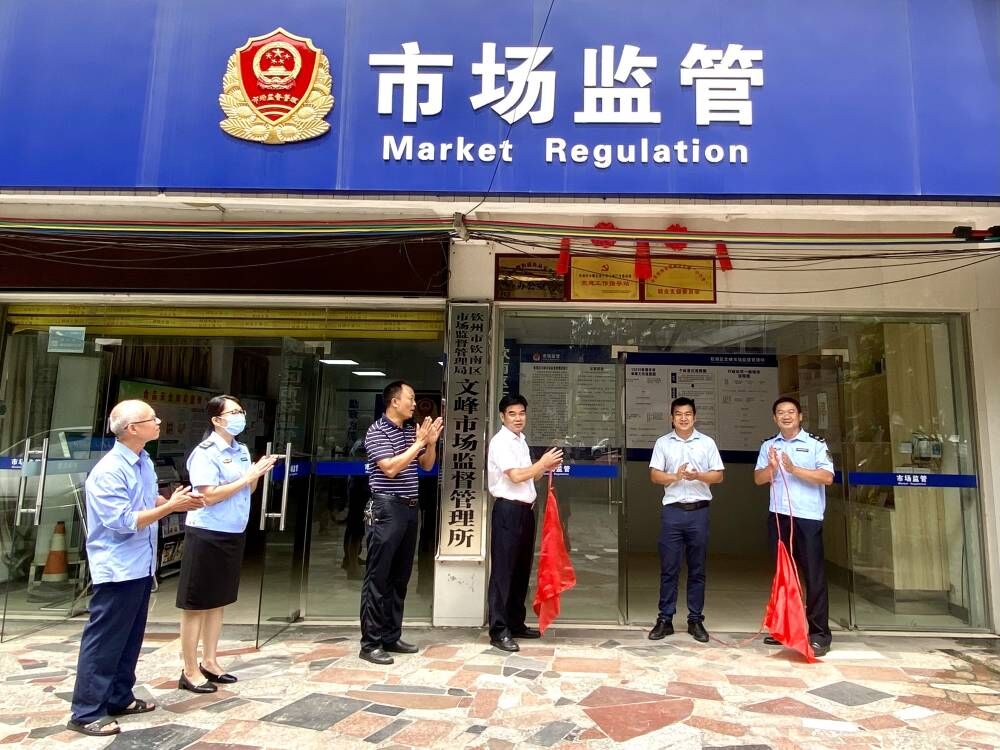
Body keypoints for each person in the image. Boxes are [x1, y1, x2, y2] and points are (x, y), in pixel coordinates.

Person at [67, 400, 203, 737]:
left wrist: (174, 501)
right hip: (118, 567)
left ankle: (119, 696)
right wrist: (170, 507)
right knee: (105, 640)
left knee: (129, 637)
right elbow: (123, 522)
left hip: (141, 564)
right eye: (151, 418)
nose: (158, 422)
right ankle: (86, 711)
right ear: (131, 429)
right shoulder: (109, 470)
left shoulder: (142, 461)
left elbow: (146, 500)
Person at [176, 395, 278, 692]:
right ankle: (189, 669)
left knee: (217, 600)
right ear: (216, 420)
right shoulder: (205, 453)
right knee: (196, 603)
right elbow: (207, 496)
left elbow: (249, 488)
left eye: (240, 411)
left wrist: (256, 473)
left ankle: (210, 660)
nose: (239, 416)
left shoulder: (241, 450)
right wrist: (248, 476)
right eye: (233, 412)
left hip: (233, 531)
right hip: (207, 532)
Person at [359, 380, 443, 665]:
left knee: (400, 576)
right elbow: (391, 468)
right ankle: (370, 643)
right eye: (411, 398)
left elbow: (427, 465)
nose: (414, 403)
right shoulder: (376, 431)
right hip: (386, 508)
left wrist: (430, 443)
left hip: (409, 508)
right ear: (394, 401)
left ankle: (391, 635)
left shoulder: (409, 431)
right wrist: (419, 443)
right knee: (378, 577)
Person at [754, 396, 835, 657]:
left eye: (791, 412)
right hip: (779, 516)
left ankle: (819, 634)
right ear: (774, 418)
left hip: (807, 518)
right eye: (780, 412)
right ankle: (785, 629)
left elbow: (827, 477)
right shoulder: (769, 445)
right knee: (784, 575)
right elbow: (758, 479)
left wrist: (794, 469)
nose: (786, 416)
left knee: (813, 576)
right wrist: (772, 467)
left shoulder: (815, 444)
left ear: (800, 416)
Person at [486, 394, 563, 653]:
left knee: (520, 569)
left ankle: (515, 622)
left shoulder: (521, 441)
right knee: (503, 571)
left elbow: (531, 476)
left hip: (526, 511)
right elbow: (517, 476)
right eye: (512, 414)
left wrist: (546, 466)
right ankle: (499, 630)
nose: (518, 418)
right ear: (502, 416)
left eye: (521, 413)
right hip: (507, 511)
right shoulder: (500, 442)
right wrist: (541, 463)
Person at [647, 397, 724, 644]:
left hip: (699, 512)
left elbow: (718, 476)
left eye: (688, 414)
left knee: (697, 568)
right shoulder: (663, 443)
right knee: (669, 568)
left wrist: (698, 475)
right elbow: (654, 476)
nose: (683, 418)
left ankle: (695, 619)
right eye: (678, 414)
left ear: (695, 417)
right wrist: (675, 476)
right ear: (672, 418)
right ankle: (665, 619)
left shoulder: (707, 443)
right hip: (673, 512)